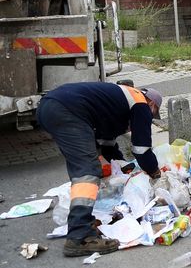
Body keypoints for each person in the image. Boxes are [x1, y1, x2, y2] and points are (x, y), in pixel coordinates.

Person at [36, 82, 164, 257]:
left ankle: (83, 223)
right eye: (152, 115)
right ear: (152, 105)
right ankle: (80, 236)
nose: (148, 119)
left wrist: (124, 169)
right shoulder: (141, 105)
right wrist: (155, 171)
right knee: (87, 171)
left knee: (83, 166)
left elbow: (107, 146)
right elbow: (141, 149)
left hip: (49, 107)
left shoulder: (117, 102)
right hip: (68, 110)